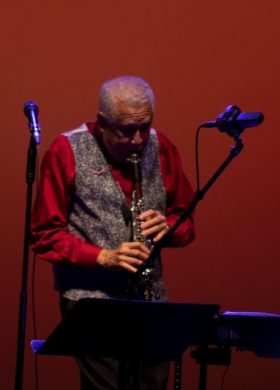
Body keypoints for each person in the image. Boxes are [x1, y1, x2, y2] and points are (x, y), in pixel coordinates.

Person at [31, 75, 195, 389]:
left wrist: (169, 227)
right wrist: (104, 256)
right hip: (91, 304)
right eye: (126, 130)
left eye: (144, 127)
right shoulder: (65, 150)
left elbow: (187, 224)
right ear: (102, 123)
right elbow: (44, 236)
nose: (137, 141)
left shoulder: (162, 147)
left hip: (150, 302)